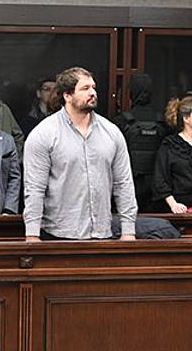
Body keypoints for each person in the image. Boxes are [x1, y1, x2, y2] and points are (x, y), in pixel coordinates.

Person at [23, 66, 137, 242]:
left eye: (93, 87)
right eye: (85, 88)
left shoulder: (111, 132)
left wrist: (128, 231)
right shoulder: (44, 133)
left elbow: (123, 183)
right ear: (67, 96)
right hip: (58, 234)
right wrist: (32, 235)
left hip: (102, 233)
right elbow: (34, 188)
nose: (93, 93)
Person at [114, 74, 170, 212]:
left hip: (129, 183)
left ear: (131, 94)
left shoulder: (121, 121)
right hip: (157, 186)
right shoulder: (162, 122)